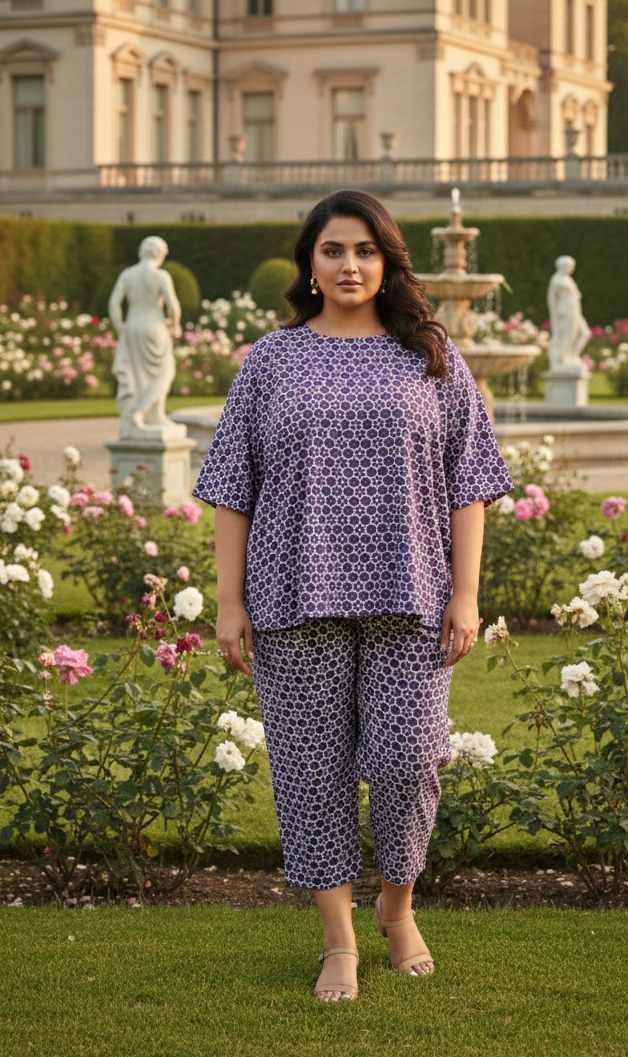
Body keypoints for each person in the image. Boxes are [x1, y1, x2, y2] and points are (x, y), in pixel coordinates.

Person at [192, 190, 513, 1003]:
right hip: (292, 595)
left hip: (413, 592)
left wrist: (466, 593)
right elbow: (233, 486)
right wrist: (229, 602)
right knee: (310, 771)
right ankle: (340, 940)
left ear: (388, 260)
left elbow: (468, 482)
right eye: (333, 250)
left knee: (411, 761)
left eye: (365, 250)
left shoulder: (433, 354)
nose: (349, 265)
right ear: (310, 262)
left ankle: (396, 908)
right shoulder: (271, 360)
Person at [108, 235, 182, 439]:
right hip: (154, 325)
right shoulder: (161, 275)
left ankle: (152, 415)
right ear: (160, 255)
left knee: (137, 375)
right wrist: (174, 326)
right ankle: (142, 413)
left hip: (132, 325)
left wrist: (120, 328)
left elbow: (114, 304)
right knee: (165, 371)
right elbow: (173, 306)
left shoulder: (127, 274)